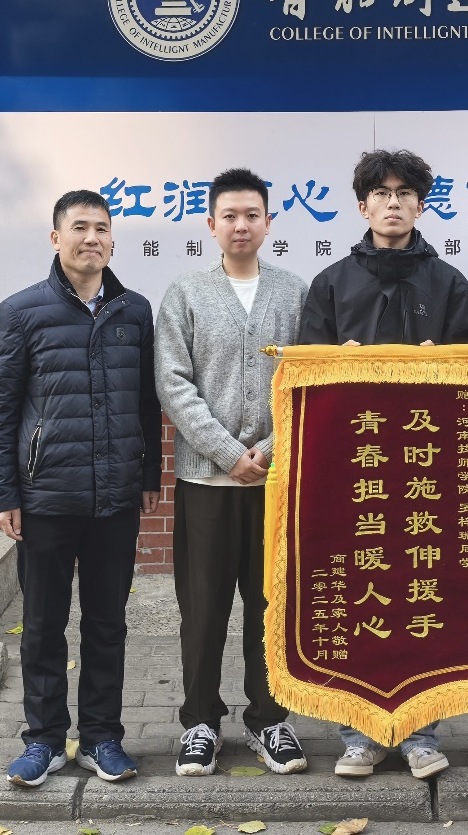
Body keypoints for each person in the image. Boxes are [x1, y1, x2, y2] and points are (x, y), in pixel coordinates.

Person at [298, 147, 468, 779]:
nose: (393, 202)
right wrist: (339, 364)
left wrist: (438, 363)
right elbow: (306, 374)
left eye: (404, 193)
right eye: (382, 193)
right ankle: (359, 735)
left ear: (420, 206)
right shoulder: (332, 283)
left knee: (423, 592)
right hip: (354, 465)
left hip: (426, 468)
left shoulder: (449, 282)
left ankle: (421, 733)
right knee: (359, 592)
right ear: (362, 206)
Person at [0, 189, 161, 787]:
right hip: (46, 497)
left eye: (101, 228)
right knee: (42, 625)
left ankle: (103, 737)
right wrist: (4, 494)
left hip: (115, 498)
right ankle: (44, 740)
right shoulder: (21, 311)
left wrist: (148, 475)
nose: (92, 238)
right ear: (56, 238)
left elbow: (147, 402)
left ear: (112, 240)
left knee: (108, 622)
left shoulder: (134, 311)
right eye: (79, 227)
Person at [154, 168, 309, 777]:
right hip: (206, 483)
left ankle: (270, 719)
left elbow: (306, 380)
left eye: (252, 215)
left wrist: (266, 451)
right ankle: (199, 720)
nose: (241, 225)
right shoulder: (185, 293)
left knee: (272, 605)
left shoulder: (294, 293)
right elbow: (173, 381)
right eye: (230, 216)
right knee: (203, 607)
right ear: (211, 224)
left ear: (269, 222)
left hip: (277, 481)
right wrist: (226, 453)